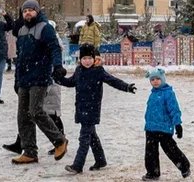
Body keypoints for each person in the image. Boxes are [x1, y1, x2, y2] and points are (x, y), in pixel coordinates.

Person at [56, 43, 136, 174]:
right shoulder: (79, 71)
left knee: (84, 138)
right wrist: (58, 78)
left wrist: (127, 87)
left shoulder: (98, 71)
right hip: (81, 108)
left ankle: (77, 165)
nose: (87, 61)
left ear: (94, 59)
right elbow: (70, 82)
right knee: (92, 136)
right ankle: (100, 160)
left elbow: (113, 81)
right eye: (84, 59)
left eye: (89, 58)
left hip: (92, 109)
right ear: (80, 60)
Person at [11, 0, 69, 165]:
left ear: (37, 11)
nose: (27, 13)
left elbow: (54, 48)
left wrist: (57, 65)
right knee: (23, 116)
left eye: (31, 10)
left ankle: (59, 140)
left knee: (35, 111)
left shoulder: (45, 28)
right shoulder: (21, 31)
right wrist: (17, 78)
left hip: (40, 76)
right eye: (25, 11)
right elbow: (20, 57)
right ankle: (29, 151)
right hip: (24, 78)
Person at [142, 67, 190, 180]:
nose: (155, 81)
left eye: (158, 79)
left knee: (171, 150)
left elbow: (174, 110)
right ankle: (153, 173)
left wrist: (177, 124)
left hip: (164, 128)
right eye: (152, 79)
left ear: (163, 79)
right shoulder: (153, 94)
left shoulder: (168, 94)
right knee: (150, 153)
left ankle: (184, 167)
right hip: (151, 128)